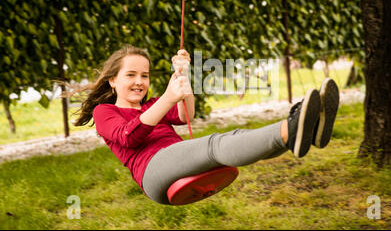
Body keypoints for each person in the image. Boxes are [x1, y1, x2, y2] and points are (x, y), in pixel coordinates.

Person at [70, 44, 339, 205]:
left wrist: (183, 76)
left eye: (145, 75)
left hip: (174, 162)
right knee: (215, 145)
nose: (139, 81)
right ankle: (294, 126)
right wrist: (167, 97)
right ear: (113, 81)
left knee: (233, 141)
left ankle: (305, 132)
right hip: (153, 173)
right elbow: (129, 137)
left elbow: (185, 115)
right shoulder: (105, 111)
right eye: (131, 75)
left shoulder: (152, 104)